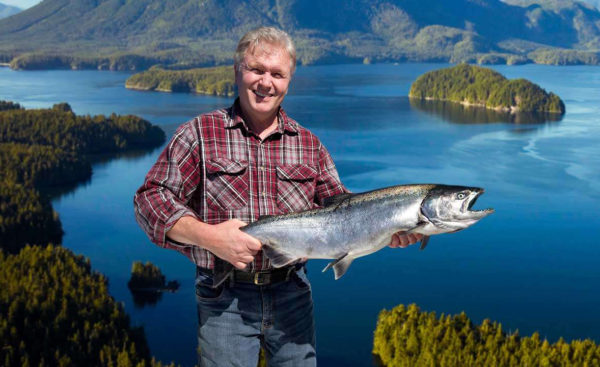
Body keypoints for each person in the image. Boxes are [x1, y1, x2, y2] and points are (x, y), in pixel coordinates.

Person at [133, 26, 422, 367]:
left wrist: (387, 229)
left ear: (288, 81)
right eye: (257, 69)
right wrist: (210, 237)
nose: (266, 82)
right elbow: (150, 199)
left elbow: (344, 212)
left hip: (292, 295)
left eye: (277, 74)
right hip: (224, 298)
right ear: (237, 71)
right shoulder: (199, 133)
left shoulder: (309, 145)